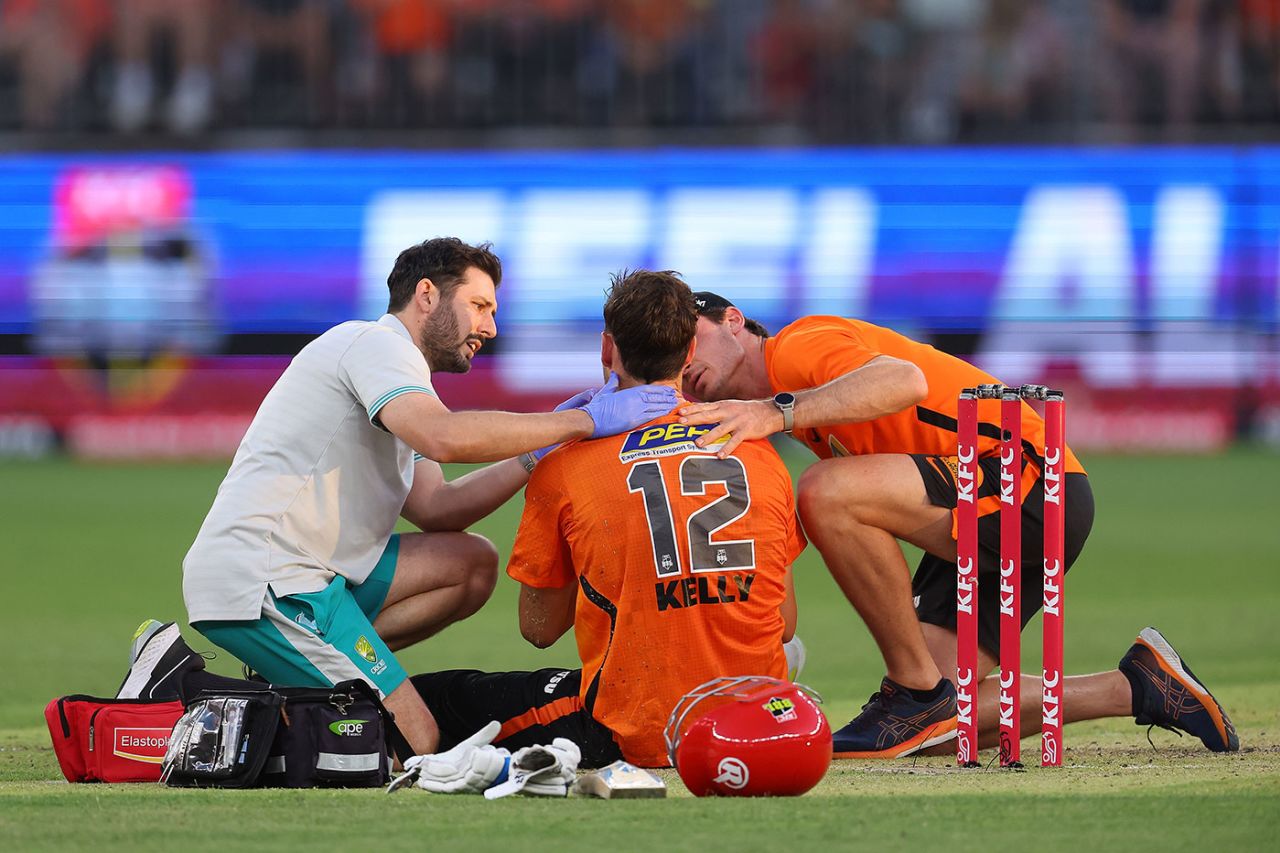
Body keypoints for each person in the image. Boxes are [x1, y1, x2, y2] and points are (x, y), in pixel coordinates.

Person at [114, 237, 677, 757]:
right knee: (413, 737)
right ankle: (183, 691)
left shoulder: (401, 380)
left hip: (316, 579)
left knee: (470, 563)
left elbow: (438, 508)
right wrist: (580, 423)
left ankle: (300, 676)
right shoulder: (376, 346)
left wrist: (538, 454)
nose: (491, 327)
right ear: (427, 295)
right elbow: (446, 438)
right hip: (268, 580)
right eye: (480, 306)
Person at [676, 294, 1238, 758]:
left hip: (1027, 479)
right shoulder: (784, 400)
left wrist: (776, 411)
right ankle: (1142, 686)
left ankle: (909, 689)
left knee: (826, 491)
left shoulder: (796, 346)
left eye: (691, 338)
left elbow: (905, 381)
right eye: (672, 357)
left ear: (732, 321)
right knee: (941, 729)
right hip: (993, 499)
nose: (685, 362)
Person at [406, 269, 808, 772]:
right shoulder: (758, 450)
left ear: (606, 348)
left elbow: (538, 628)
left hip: (628, 730)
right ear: (688, 355)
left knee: (431, 698)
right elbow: (785, 622)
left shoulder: (566, 465)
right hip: (751, 726)